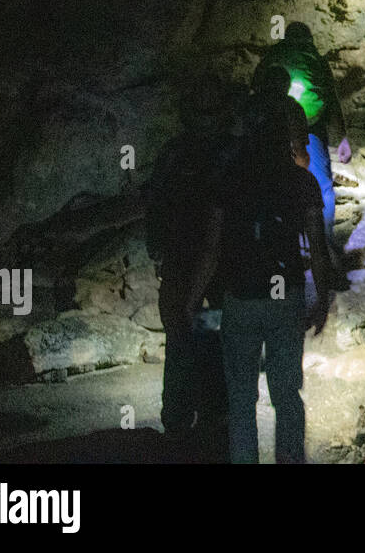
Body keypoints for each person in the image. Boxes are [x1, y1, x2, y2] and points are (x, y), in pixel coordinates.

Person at [188, 110, 334, 464]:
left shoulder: (229, 181)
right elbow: (317, 247)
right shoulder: (303, 183)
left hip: (241, 296)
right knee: (286, 395)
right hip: (286, 297)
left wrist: (192, 300)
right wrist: (323, 299)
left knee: (240, 401)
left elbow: (211, 249)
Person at [146, 73, 234, 461]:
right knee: (200, 342)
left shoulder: (176, 154)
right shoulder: (226, 153)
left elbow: (156, 204)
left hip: (200, 269)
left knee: (187, 343)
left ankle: (187, 423)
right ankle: (201, 423)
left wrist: (157, 250)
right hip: (204, 270)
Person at [252, 22, 349, 246]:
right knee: (323, 186)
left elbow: (255, 86)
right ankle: (323, 242)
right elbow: (331, 99)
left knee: (272, 185)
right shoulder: (315, 58)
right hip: (309, 126)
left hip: (273, 129)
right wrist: (343, 139)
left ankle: (280, 240)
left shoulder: (273, 55)